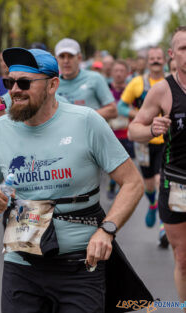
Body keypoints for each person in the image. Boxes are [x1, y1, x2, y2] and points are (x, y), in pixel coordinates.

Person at [0, 47, 144, 312]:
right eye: (10, 82)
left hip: (80, 265)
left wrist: (107, 230)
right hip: (21, 264)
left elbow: (133, 183)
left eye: (25, 82)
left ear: (52, 85)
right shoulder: (0, 129)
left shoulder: (86, 122)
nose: (14, 89)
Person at [129, 26, 186, 304]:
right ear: (171, 54)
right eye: (183, 48)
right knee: (183, 259)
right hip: (177, 183)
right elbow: (133, 130)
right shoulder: (163, 90)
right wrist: (152, 129)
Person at [120, 46, 167, 246]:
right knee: (149, 184)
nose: (155, 61)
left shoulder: (171, 82)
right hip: (144, 142)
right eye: (152, 58)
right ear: (147, 61)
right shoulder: (138, 83)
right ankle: (153, 204)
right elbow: (121, 106)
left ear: (165, 59)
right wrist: (138, 117)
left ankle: (163, 225)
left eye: (159, 58)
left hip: (166, 142)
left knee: (161, 182)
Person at [54, 38, 117, 120]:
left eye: (70, 56)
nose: (66, 61)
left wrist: (82, 118)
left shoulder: (95, 78)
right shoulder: (52, 84)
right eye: (62, 56)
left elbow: (113, 110)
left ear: (79, 58)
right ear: (56, 59)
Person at [107, 60, 134, 199]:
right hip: (110, 135)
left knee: (126, 165)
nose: (118, 74)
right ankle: (112, 183)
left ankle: (122, 189)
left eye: (121, 71)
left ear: (127, 73)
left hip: (127, 135)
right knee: (112, 165)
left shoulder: (131, 90)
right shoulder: (106, 91)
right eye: (116, 71)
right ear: (111, 73)